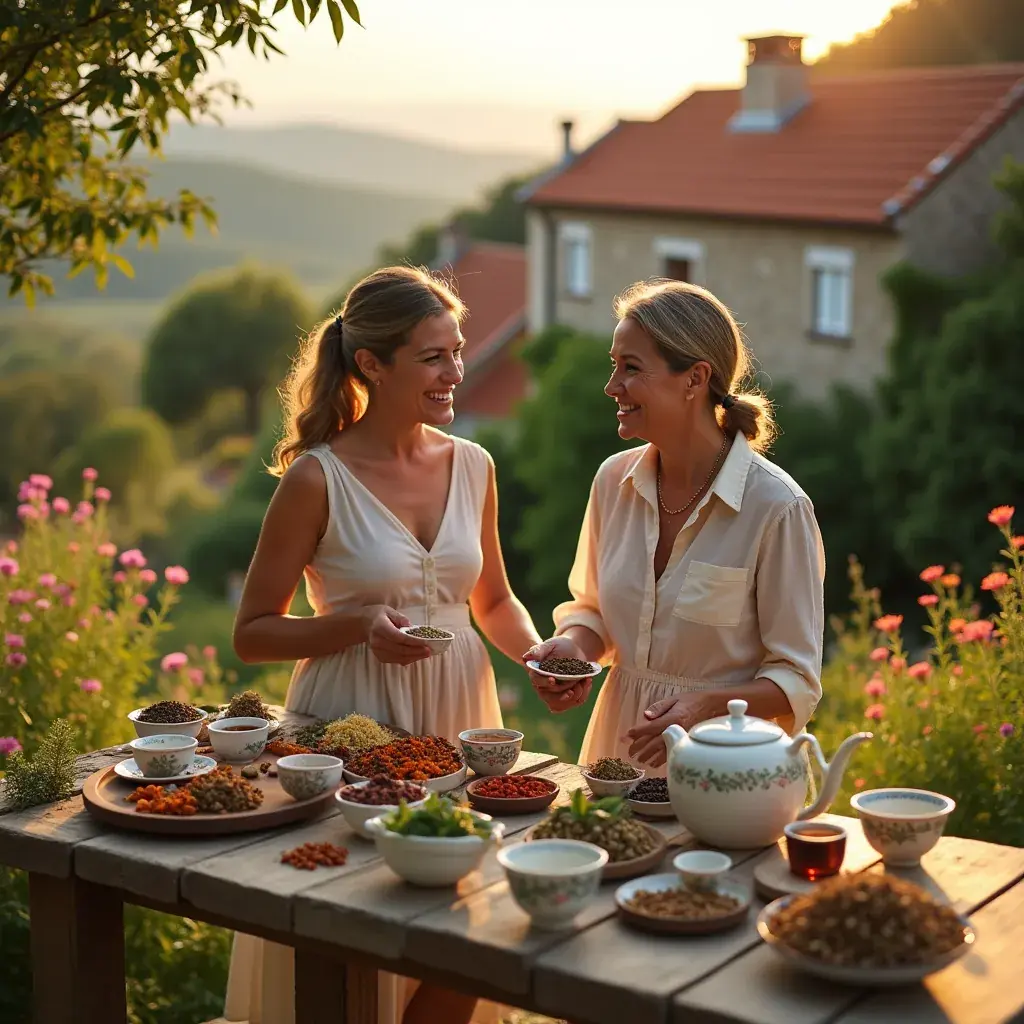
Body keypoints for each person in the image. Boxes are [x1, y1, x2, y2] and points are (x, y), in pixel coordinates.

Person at [225, 266, 541, 1024]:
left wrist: (538, 656)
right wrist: (355, 624)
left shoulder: (473, 464)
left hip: (459, 719)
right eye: (434, 356)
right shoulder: (315, 478)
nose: (456, 373)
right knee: (349, 920)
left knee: (466, 930)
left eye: (457, 352)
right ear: (372, 363)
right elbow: (252, 633)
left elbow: (490, 600)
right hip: (348, 724)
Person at [525, 279, 825, 771]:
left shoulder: (777, 507)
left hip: (728, 769)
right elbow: (594, 611)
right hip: (617, 756)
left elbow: (795, 680)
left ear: (694, 379)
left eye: (631, 368)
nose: (611, 386)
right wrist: (572, 649)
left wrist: (703, 706)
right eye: (613, 365)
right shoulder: (612, 481)